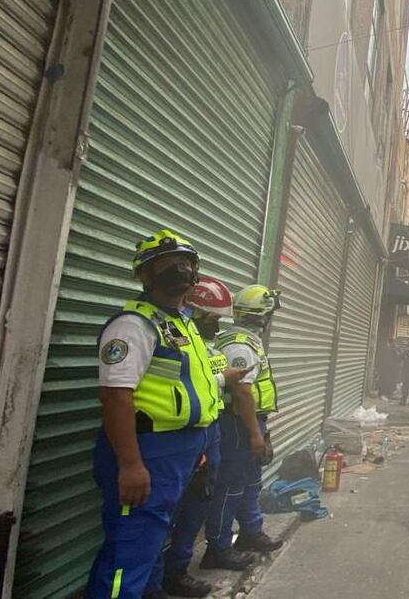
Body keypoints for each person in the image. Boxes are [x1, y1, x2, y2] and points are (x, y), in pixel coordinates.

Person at [85, 230, 221, 598]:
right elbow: (115, 397)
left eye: (185, 263)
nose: (178, 270)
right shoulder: (133, 326)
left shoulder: (181, 323)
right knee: (129, 551)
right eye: (164, 264)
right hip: (147, 449)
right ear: (144, 275)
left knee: (145, 541)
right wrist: (130, 465)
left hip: (181, 449)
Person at [162, 277, 255, 596]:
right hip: (174, 439)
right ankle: (155, 579)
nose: (217, 326)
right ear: (195, 312)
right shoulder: (175, 342)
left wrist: (222, 377)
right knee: (164, 514)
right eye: (213, 319)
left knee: (197, 506)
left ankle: (176, 571)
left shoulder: (207, 347)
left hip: (207, 434)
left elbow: (203, 382)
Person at [202, 285, 284, 569]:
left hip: (250, 420)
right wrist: (254, 434)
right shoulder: (240, 345)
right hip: (238, 423)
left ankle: (250, 531)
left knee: (251, 480)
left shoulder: (246, 341)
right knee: (231, 485)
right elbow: (242, 393)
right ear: (262, 316)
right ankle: (218, 547)